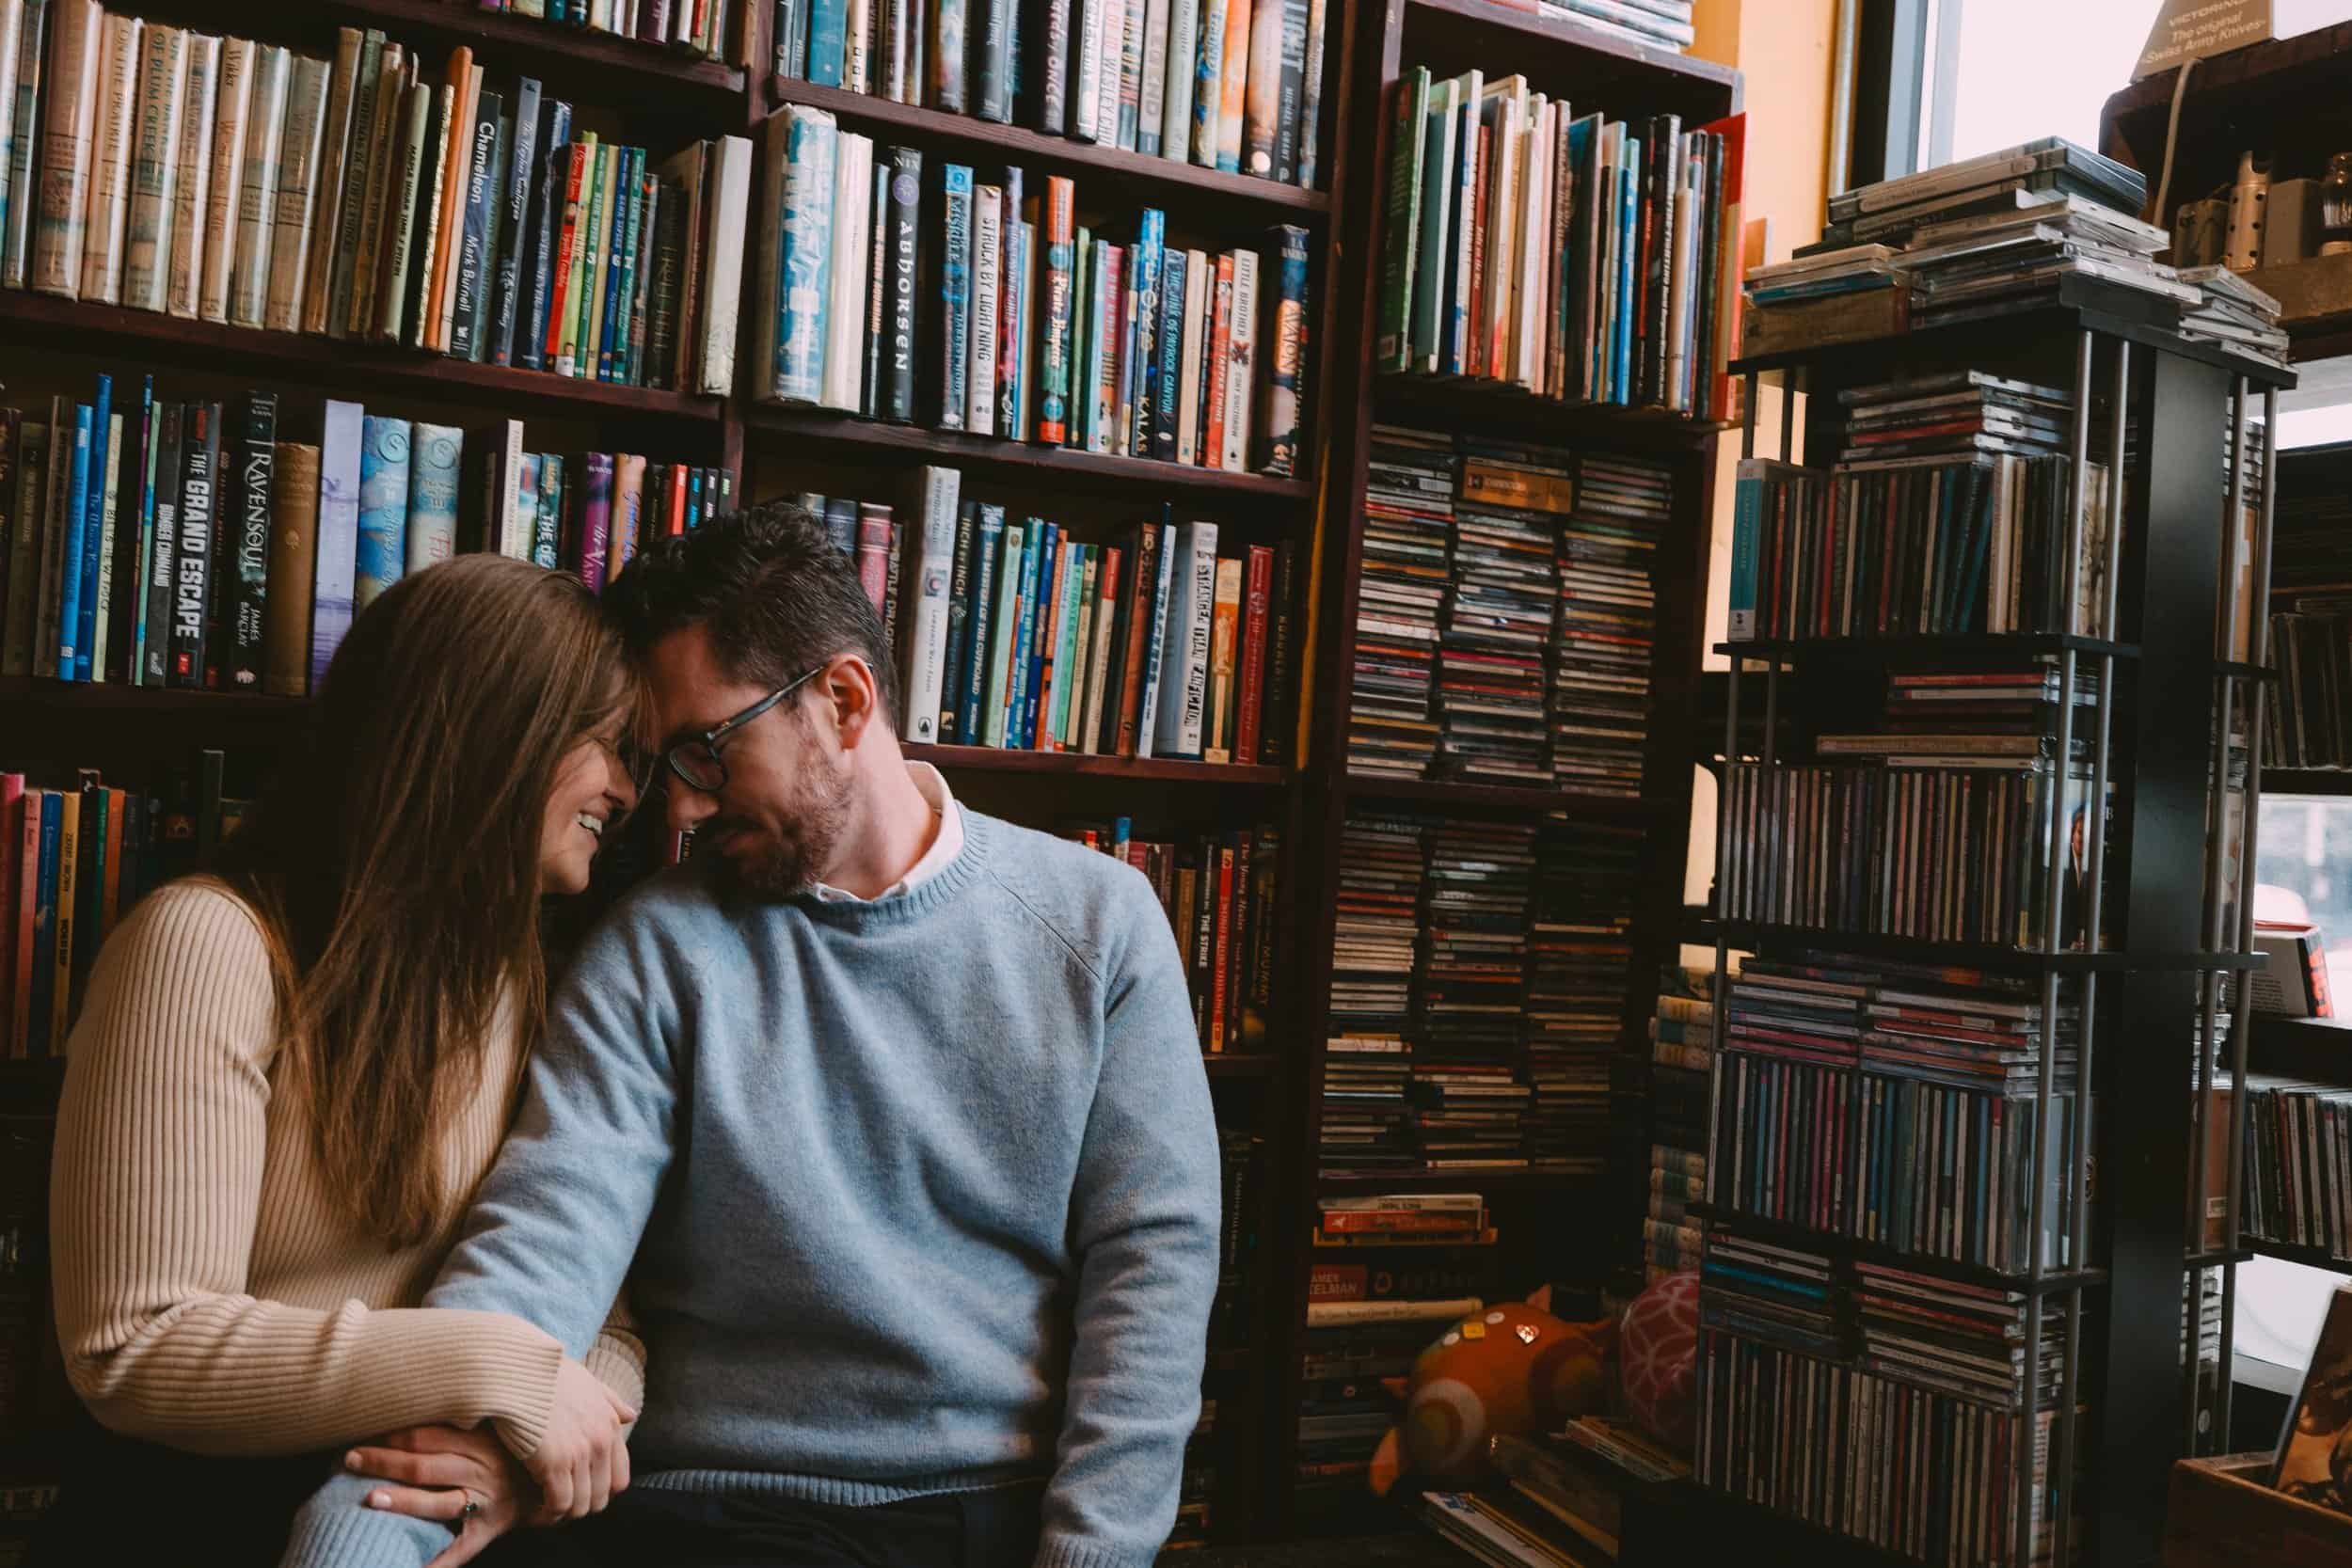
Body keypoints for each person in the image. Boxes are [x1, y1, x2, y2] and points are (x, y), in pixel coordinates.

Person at [294, 502, 1224, 1568]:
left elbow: (1151, 1280)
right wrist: (368, 1522)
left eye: (705, 750)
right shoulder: (657, 943)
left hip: (976, 1503)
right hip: (692, 1505)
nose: (677, 809)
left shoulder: (1096, 923)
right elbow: (544, 1241)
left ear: (840, 698)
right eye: (660, 762)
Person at [37, 556, 645, 1565]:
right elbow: (133, 1348)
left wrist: (508, 1453)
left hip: (418, 1514)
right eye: (604, 745)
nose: (624, 789)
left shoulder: (533, 989)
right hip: (188, 1517)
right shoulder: (207, 945)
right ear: (497, 733)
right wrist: (499, 1368)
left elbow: (607, 1318)